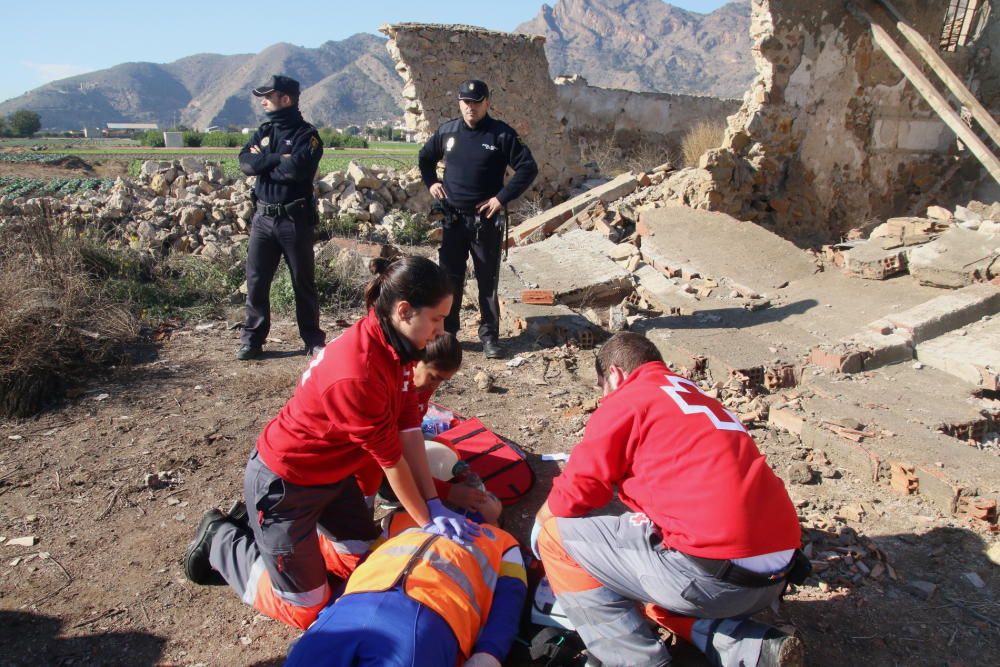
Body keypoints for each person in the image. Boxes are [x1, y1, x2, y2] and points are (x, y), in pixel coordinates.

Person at [183, 256, 480, 630]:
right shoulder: (357, 374)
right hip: (287, 484)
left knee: (363, 563)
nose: (440, 331)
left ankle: (291, 548)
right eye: (437, 319)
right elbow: (392, 462)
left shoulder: (399, 347)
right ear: (404, 310)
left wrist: (435, 502)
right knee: (307, 607)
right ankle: (222, 541)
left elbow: (408, 430)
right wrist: (427, 519)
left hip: (333, 479)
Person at [532, 332, 807, 667]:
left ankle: (636, 661)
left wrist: (540, 524)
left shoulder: (629, 397)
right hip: (774, 578)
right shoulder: (696, 397)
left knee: (555, 539)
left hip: (712, 580)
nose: (604, 400)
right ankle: (746, 647)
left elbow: (577, 488)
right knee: (632, 578)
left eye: (602, 390)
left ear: (615, 375)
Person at [285, 505, 526, 667]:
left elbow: (509, 602)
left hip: (427, 619)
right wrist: (325, 614)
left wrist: (489, 654)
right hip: (351, 606)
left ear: (499, 519)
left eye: (491, 496)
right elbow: (364, 565)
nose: (481, 493)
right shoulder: (404, 518)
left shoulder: (503, 543)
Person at [418, 79, 539, 360]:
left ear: (487, 102)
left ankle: (489, 337)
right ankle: (448, 335)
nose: (470, 107)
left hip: (485, 221)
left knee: (487, 281)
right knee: (449, 281)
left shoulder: (501, 135)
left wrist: (501, 198)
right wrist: (431, 182)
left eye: (476, 102)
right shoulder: (447, 132)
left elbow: (527, 168)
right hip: (453, 220)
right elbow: (424, 159)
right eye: (465, 102)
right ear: (459, 103)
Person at [236, 74, 325, 361]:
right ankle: (252, 340)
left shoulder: (306, 135)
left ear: (285, 99)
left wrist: (265, 160)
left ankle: (312, 340)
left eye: (268, 95)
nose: (263, 100)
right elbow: (245, 163)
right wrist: (277, 158)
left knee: (303, 282)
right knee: (257, 281)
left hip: (294, 219)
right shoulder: (264, 131)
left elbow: (295, 172)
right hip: (262, 218)